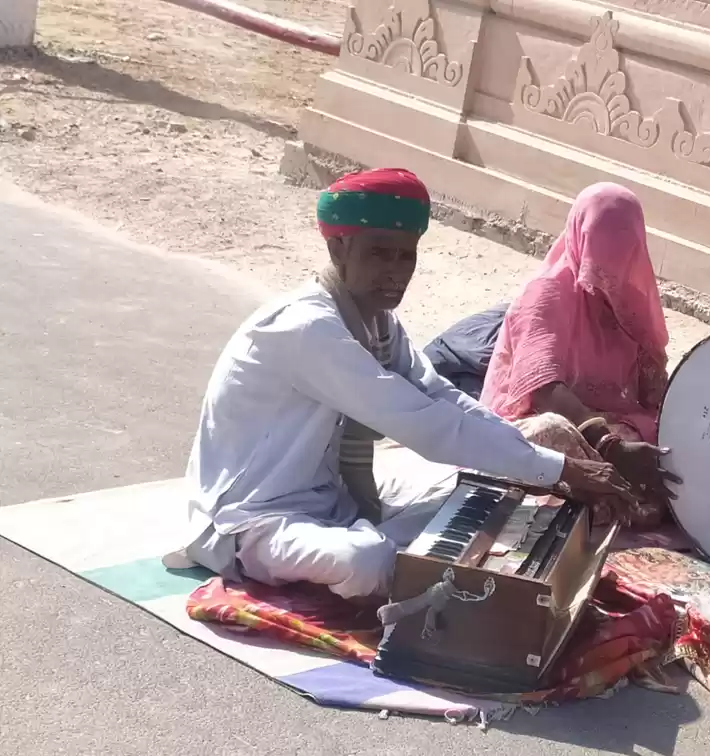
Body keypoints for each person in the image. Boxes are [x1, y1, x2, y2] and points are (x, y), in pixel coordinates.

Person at [174, 169, 636, 600]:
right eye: (378, 253)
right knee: (366, 560)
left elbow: (439, 395)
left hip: (331, 497)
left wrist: (540, 460)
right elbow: (418, 421)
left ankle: (406, 550)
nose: (396, 271)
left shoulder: (377, 322)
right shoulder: (306, 327)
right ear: (338, 250)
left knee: (487, 493)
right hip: (253, 517)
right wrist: (558, 470)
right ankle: (392, 558)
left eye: (406, 255)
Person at [481, 183, 679, 526]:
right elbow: (543, 391)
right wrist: (609, 446)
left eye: (620, 255)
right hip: (527, 428)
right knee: (552, 431)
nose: (607, 269)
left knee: (669, 437)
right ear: (579, 240)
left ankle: (611, 507)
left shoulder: (631, 305)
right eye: (599, 254)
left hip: (607, 429)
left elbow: (652, 396)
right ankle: (613, 507)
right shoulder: (547, 295)